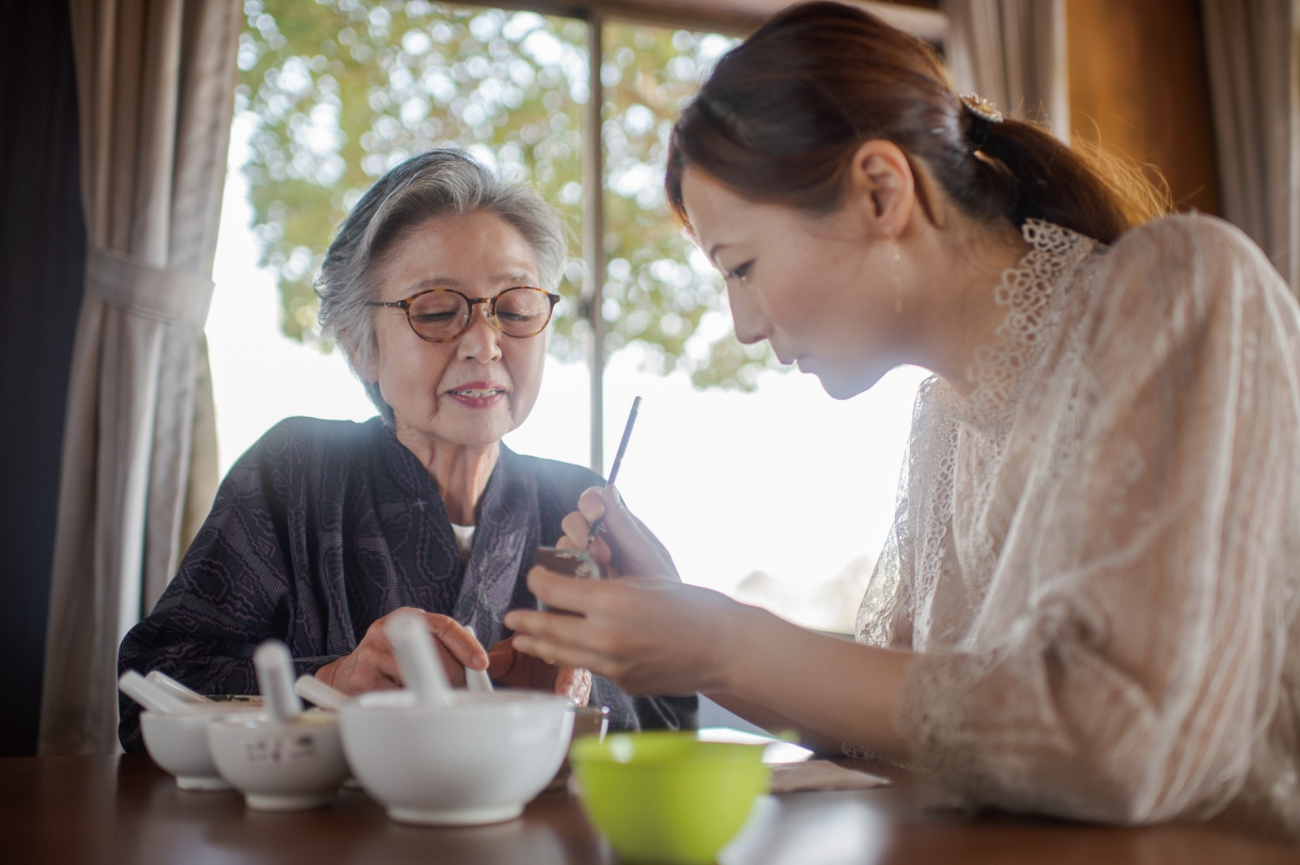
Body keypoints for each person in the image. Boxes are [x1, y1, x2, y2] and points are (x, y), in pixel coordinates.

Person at [503, 1, 1300, 842]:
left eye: (741, 267)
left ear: (882, 191)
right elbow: (885, 722)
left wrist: (724, 643)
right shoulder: (944, 416)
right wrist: (677, 606)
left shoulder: (1181, 290)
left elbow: (1114, 736)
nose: (742, 323)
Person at [117, 150, 695, 751]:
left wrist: (576, 695)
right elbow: (148, 692)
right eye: (439, 311)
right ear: (360, 345)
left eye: (515, 308)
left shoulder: (579, 502)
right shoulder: (294, 472)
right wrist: (332, 683)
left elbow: (675, 722)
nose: (485, 344)